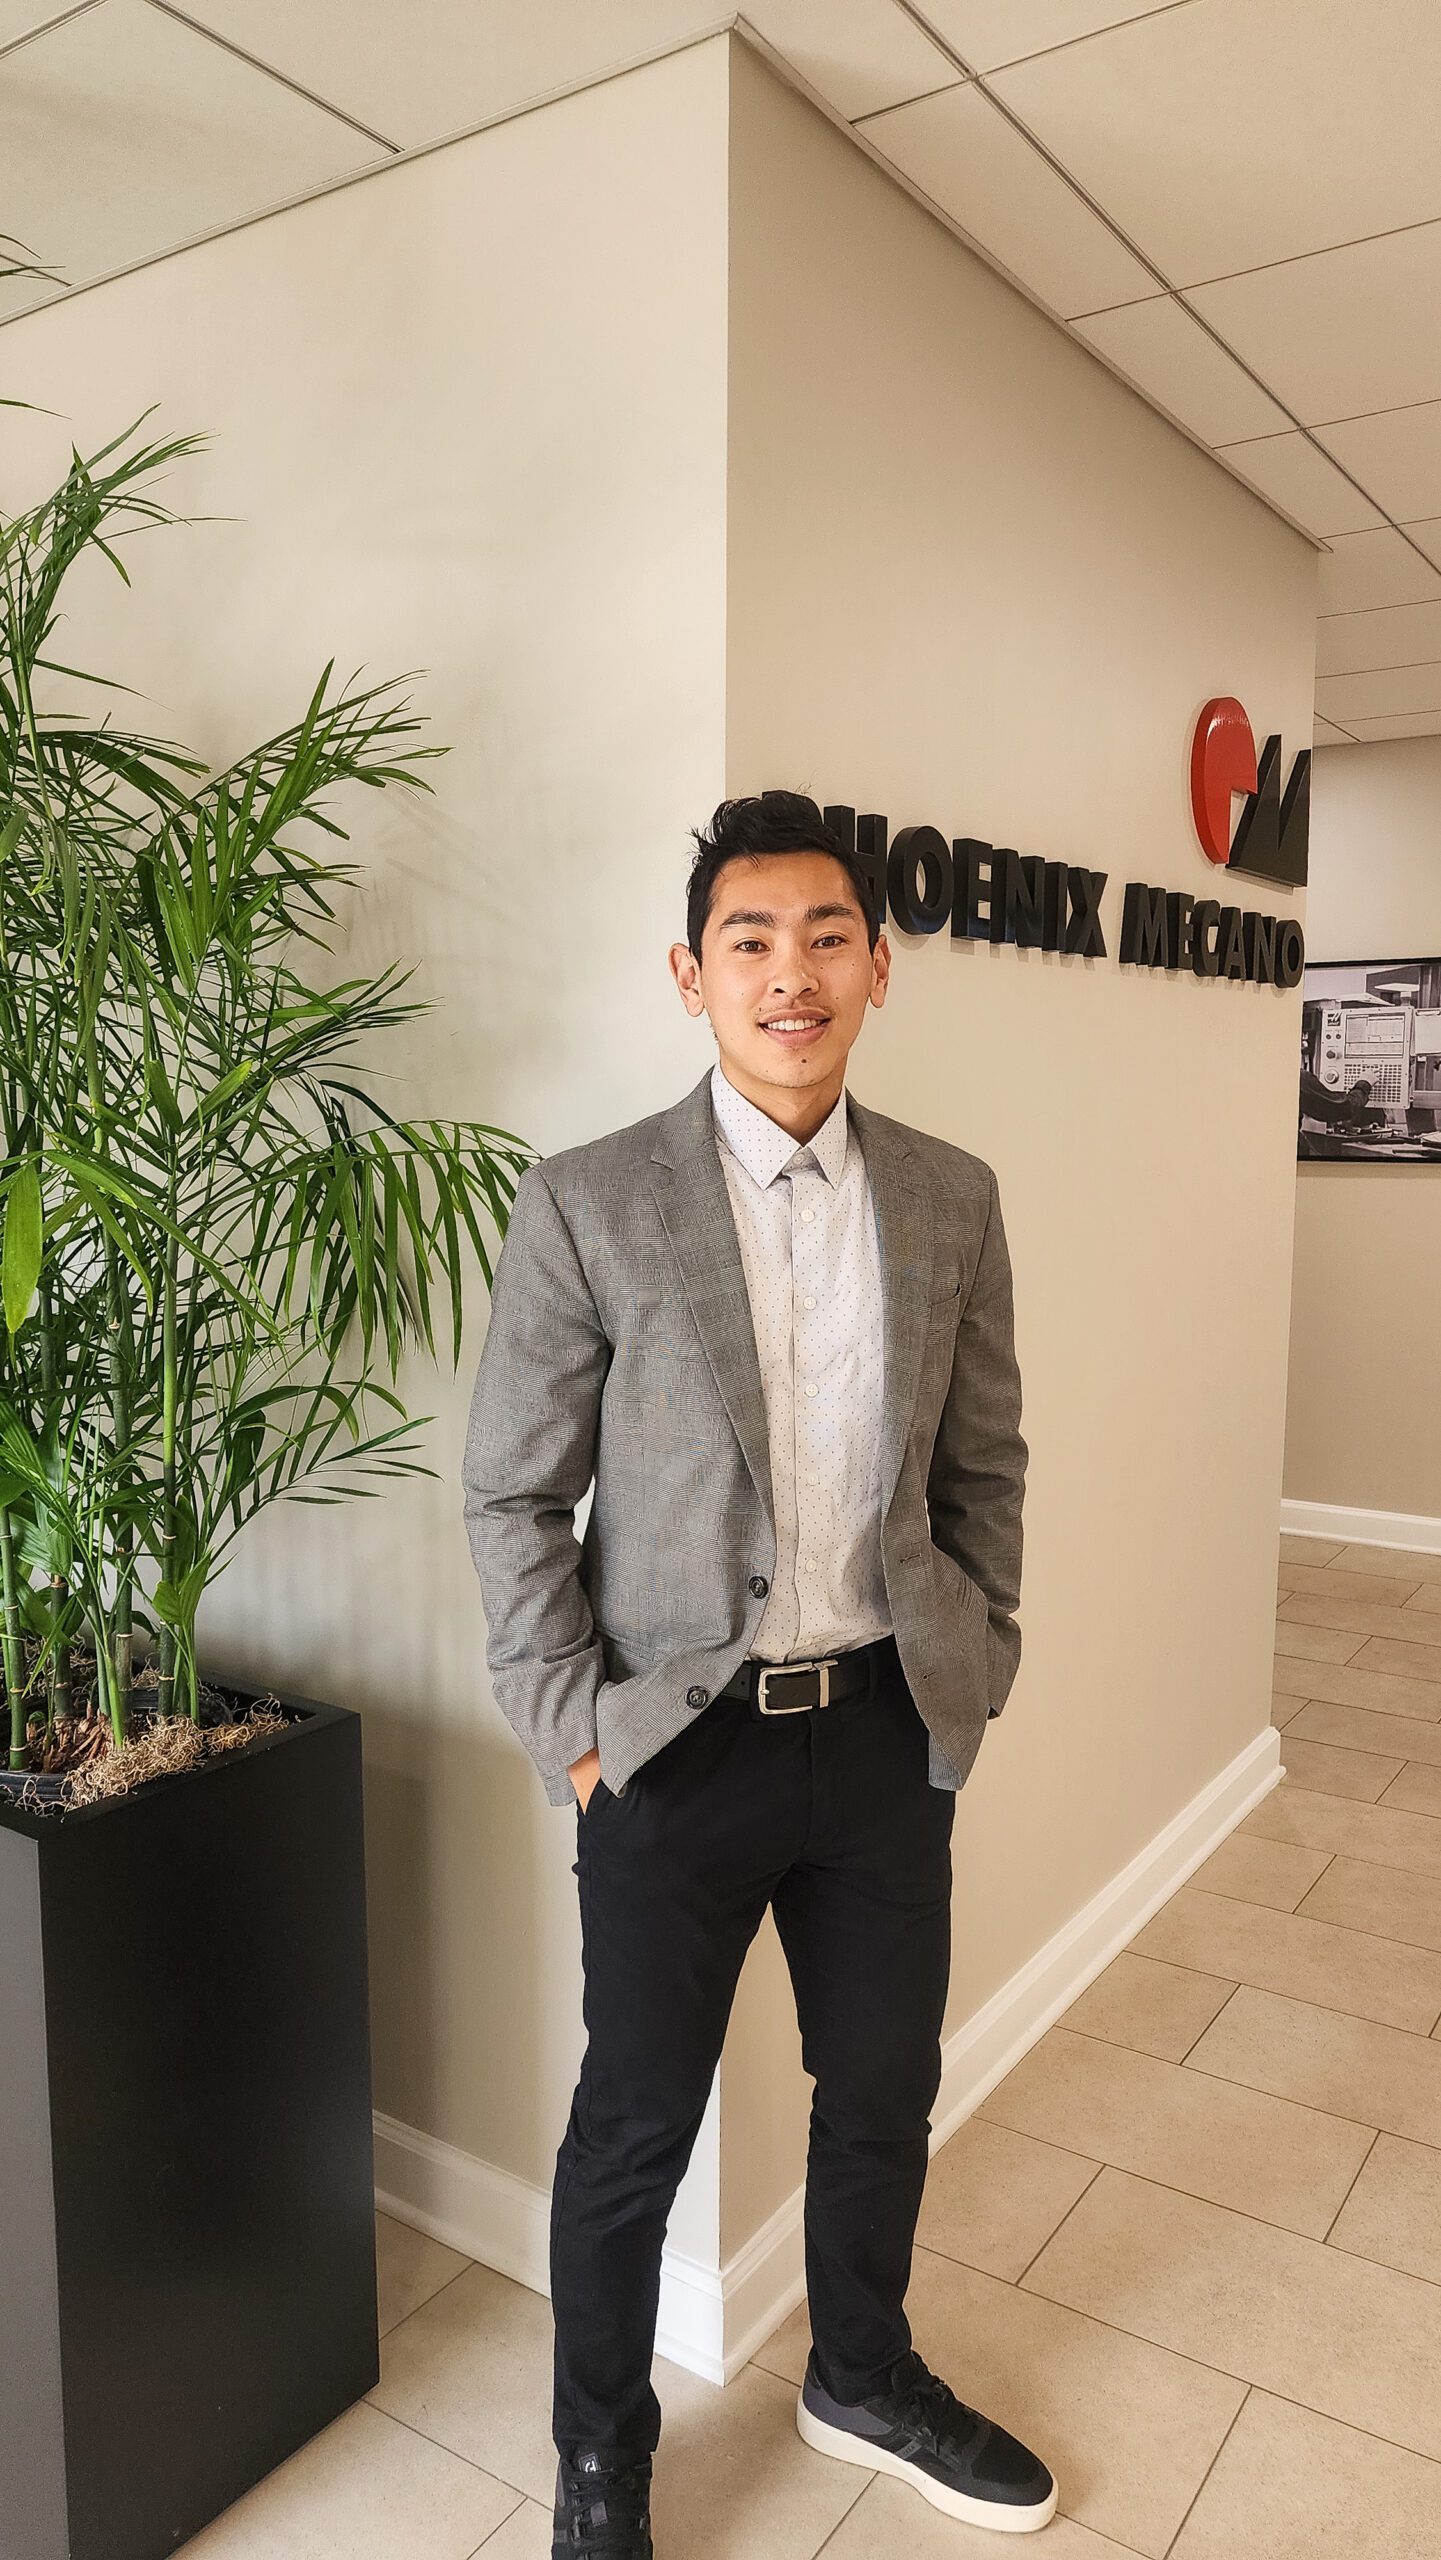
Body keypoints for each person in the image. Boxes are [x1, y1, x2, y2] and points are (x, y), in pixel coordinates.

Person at [462, 791, 1057, 2554]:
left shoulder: (949, 1194)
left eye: (824, 938)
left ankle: (859, 2374)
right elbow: (512, 1491)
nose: (789, 973)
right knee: (632, 2126)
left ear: (876, 968)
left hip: (880, 1733)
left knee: (880, 2088)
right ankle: (598, 2456)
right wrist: (575, 1737)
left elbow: (983, 1465)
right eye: (750, 941)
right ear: (690, 975)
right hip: (672, 1744)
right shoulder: (590, 1200)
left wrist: (976, 1663)